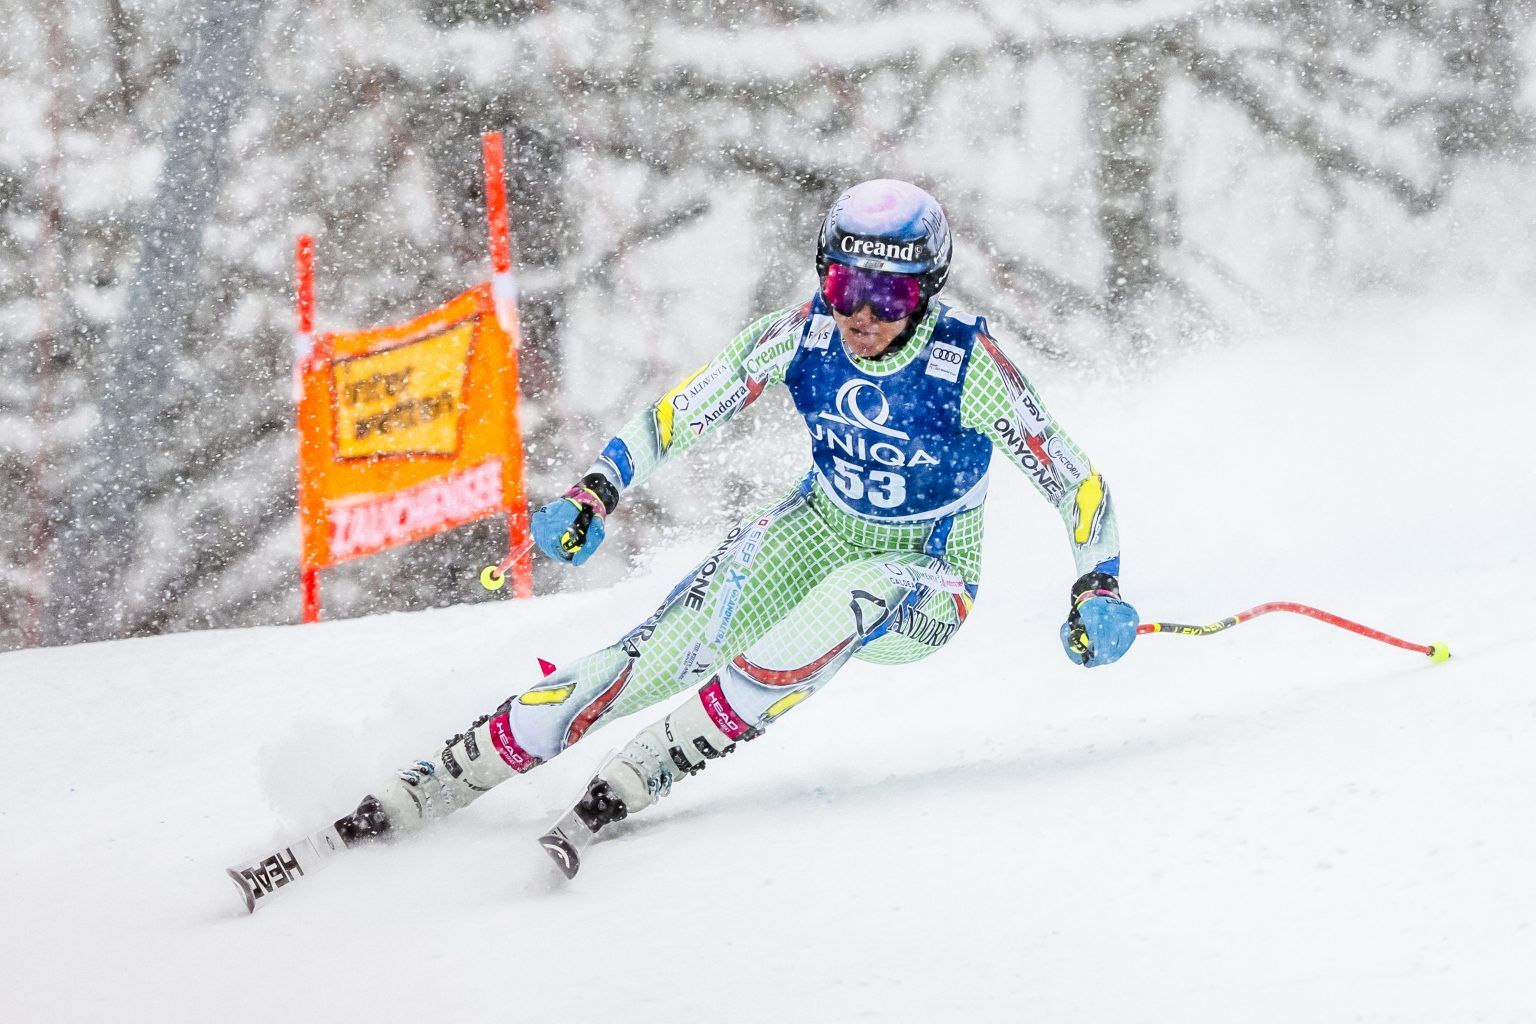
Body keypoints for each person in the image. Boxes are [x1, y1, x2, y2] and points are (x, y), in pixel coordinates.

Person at [334, 179, 1139, 854]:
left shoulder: (967, 366)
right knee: (647, 657)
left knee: (853, 592)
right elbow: (680, 414)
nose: (862, 315)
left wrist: (1095, 585)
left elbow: (1074, 480)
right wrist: (595, 492)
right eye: (843, 287)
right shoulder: (801, 337)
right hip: (816, 531)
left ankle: (652, 765)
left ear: (925, 292)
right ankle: (440, 778)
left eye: (888, 293)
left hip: (927, 582)